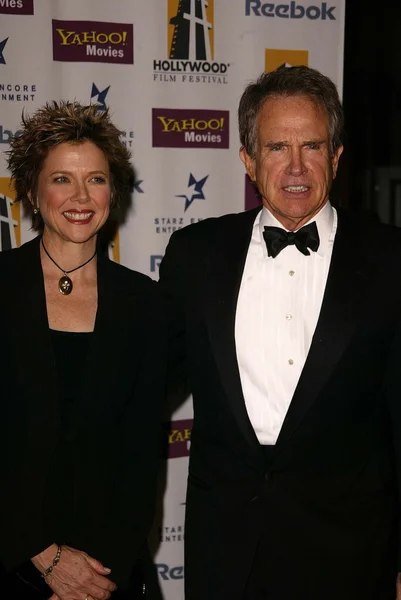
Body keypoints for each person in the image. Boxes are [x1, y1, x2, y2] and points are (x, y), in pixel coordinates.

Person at [159, 65, 401, 600]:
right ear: (247, 159)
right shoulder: (194, 256)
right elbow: (144, 386)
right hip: (227, 558)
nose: (295, 166)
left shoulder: (390, 262)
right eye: (275, 148)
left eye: (312, 145)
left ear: (336, 156)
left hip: (351, 558)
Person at [0, 101, 166, 600]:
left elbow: (142, 458)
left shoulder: (147, 304)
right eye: (61, 179)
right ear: (31, 190)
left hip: (107, 571)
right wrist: (44, 557)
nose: (80, 196)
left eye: (95, 179)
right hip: (11, 556)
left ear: (113, 192)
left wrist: (96, 577)